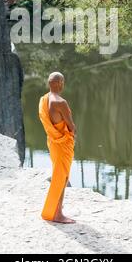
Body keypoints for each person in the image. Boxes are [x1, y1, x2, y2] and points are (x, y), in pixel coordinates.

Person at [38, 72, 77, 223]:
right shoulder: (61, 102)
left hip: (53, 142)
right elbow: (71, 125)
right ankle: (57, 213)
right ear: (60, 83)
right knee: (62, 177)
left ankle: (54, 210)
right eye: (63, 82)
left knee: (59, 175)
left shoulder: (45, 99)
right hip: (63, 144)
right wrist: (74, 137)